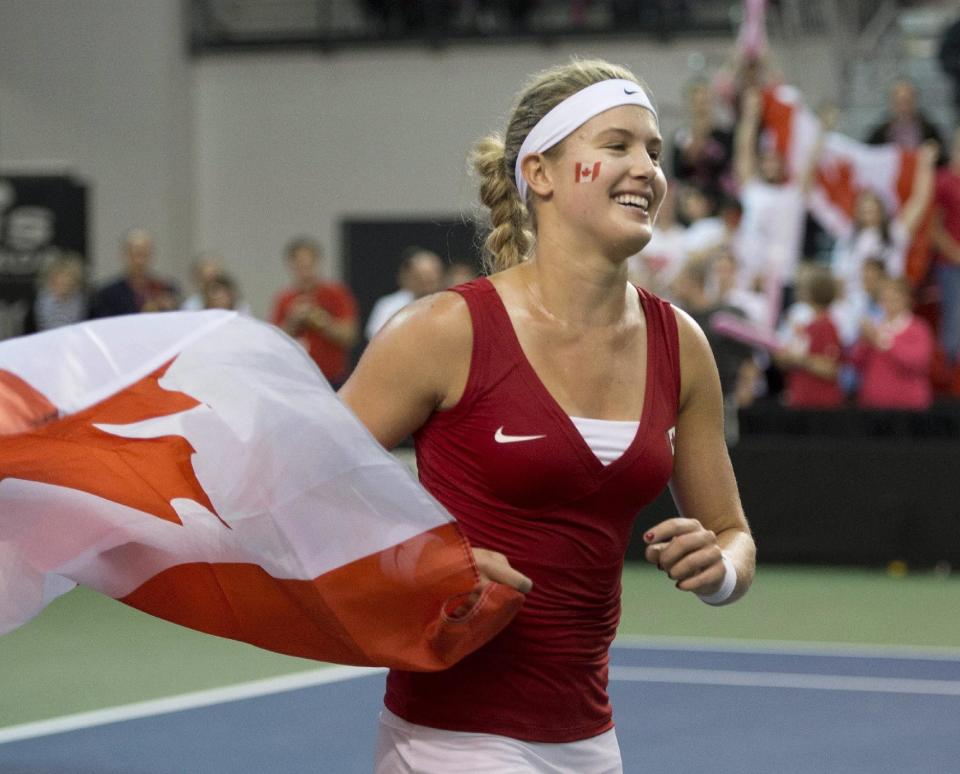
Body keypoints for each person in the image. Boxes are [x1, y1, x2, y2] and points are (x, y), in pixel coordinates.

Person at [339, 59, 755, 772]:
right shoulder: (443, 331)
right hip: (450, 740)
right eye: (617, 145)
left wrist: (719, 571)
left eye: (654, 152)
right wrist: (425, 563)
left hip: (591, 743)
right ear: (541, 174)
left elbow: (732, 535)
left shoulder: (680, 344)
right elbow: (302, 492)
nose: (647, 169)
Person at [270, 236, 359, 387]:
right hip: (295, 380)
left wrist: (319, 319)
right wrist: (293, 320)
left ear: (317, 263)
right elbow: (273, 342)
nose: (305, 273)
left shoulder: (336, 294)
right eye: (300, 266)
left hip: (332, 380)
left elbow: (349, 336)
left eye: (309, 266)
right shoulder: (284, 299)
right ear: (291, 266)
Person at [850, 277, 934, 410]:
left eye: (894, 299)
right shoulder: (875, 325)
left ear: (907, 300)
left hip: (908, 407)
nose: (888, 304)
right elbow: (856, 362)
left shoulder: (918, 328)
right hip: (873, 404)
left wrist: (882, 341)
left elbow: (917, 362)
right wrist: (864, 342)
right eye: (885, 299)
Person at [773, 265, 844, 408]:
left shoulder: (827, 325)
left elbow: (831, 368)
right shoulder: (806, 325)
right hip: (801, 399)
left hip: (820, 404)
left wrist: (799, 359)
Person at [89, 229, 179, 318]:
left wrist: (169, 310)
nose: (140, 261)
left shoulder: (166, 288)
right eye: (135, 254)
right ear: (124, 255)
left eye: (144, 254)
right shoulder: (106, 295)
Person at [365, 247, 444, 340]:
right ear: (409, 276)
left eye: (432, 276)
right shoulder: (388, 305)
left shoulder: (451, 304)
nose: (426, 281)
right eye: (420, 276)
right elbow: (374, 340)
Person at [932, 126, 960, 366]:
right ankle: (949, 378)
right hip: (951, 264)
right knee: (953, 321)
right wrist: (956, 254)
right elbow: (934, 227)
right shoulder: (943, 180)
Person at [865, 78, 945, 155]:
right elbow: (867, 156)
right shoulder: (878, 134)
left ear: (915, 101)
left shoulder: (930, 132)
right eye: (899, 102)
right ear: (890, 103)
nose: (903, 107)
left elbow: (943, 160)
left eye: (907, 101)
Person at [25, 252, 89, 332]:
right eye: (58, 282)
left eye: (67, 282)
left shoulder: (86, 306)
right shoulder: (36, 306)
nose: (63, 285)